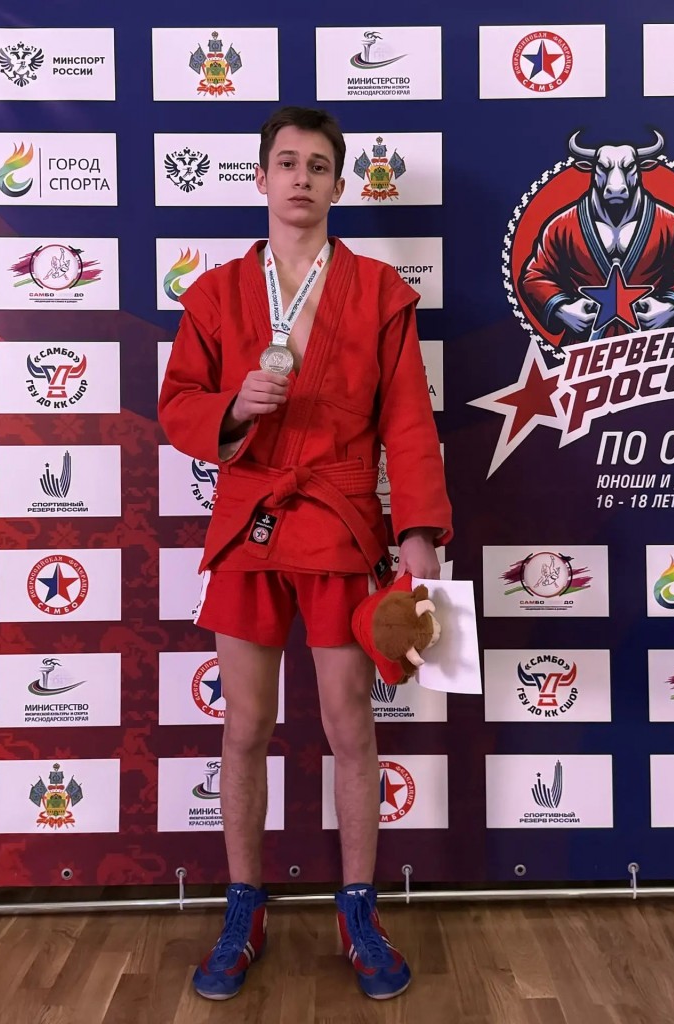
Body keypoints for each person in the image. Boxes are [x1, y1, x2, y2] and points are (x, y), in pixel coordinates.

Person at [158, 105, 452, 1003]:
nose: (301, 178)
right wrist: (232, 408)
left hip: (339, 521)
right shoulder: (216, 293)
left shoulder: (379, 292)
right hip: (251, 520)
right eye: (286, 163)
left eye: (318, 166)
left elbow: (409, 422)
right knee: (243, 727)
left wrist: (418, 541)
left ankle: (357, 908)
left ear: (338, 184)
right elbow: (177, 404)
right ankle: (243, 907)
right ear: (260, 177)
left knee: (349, 724)